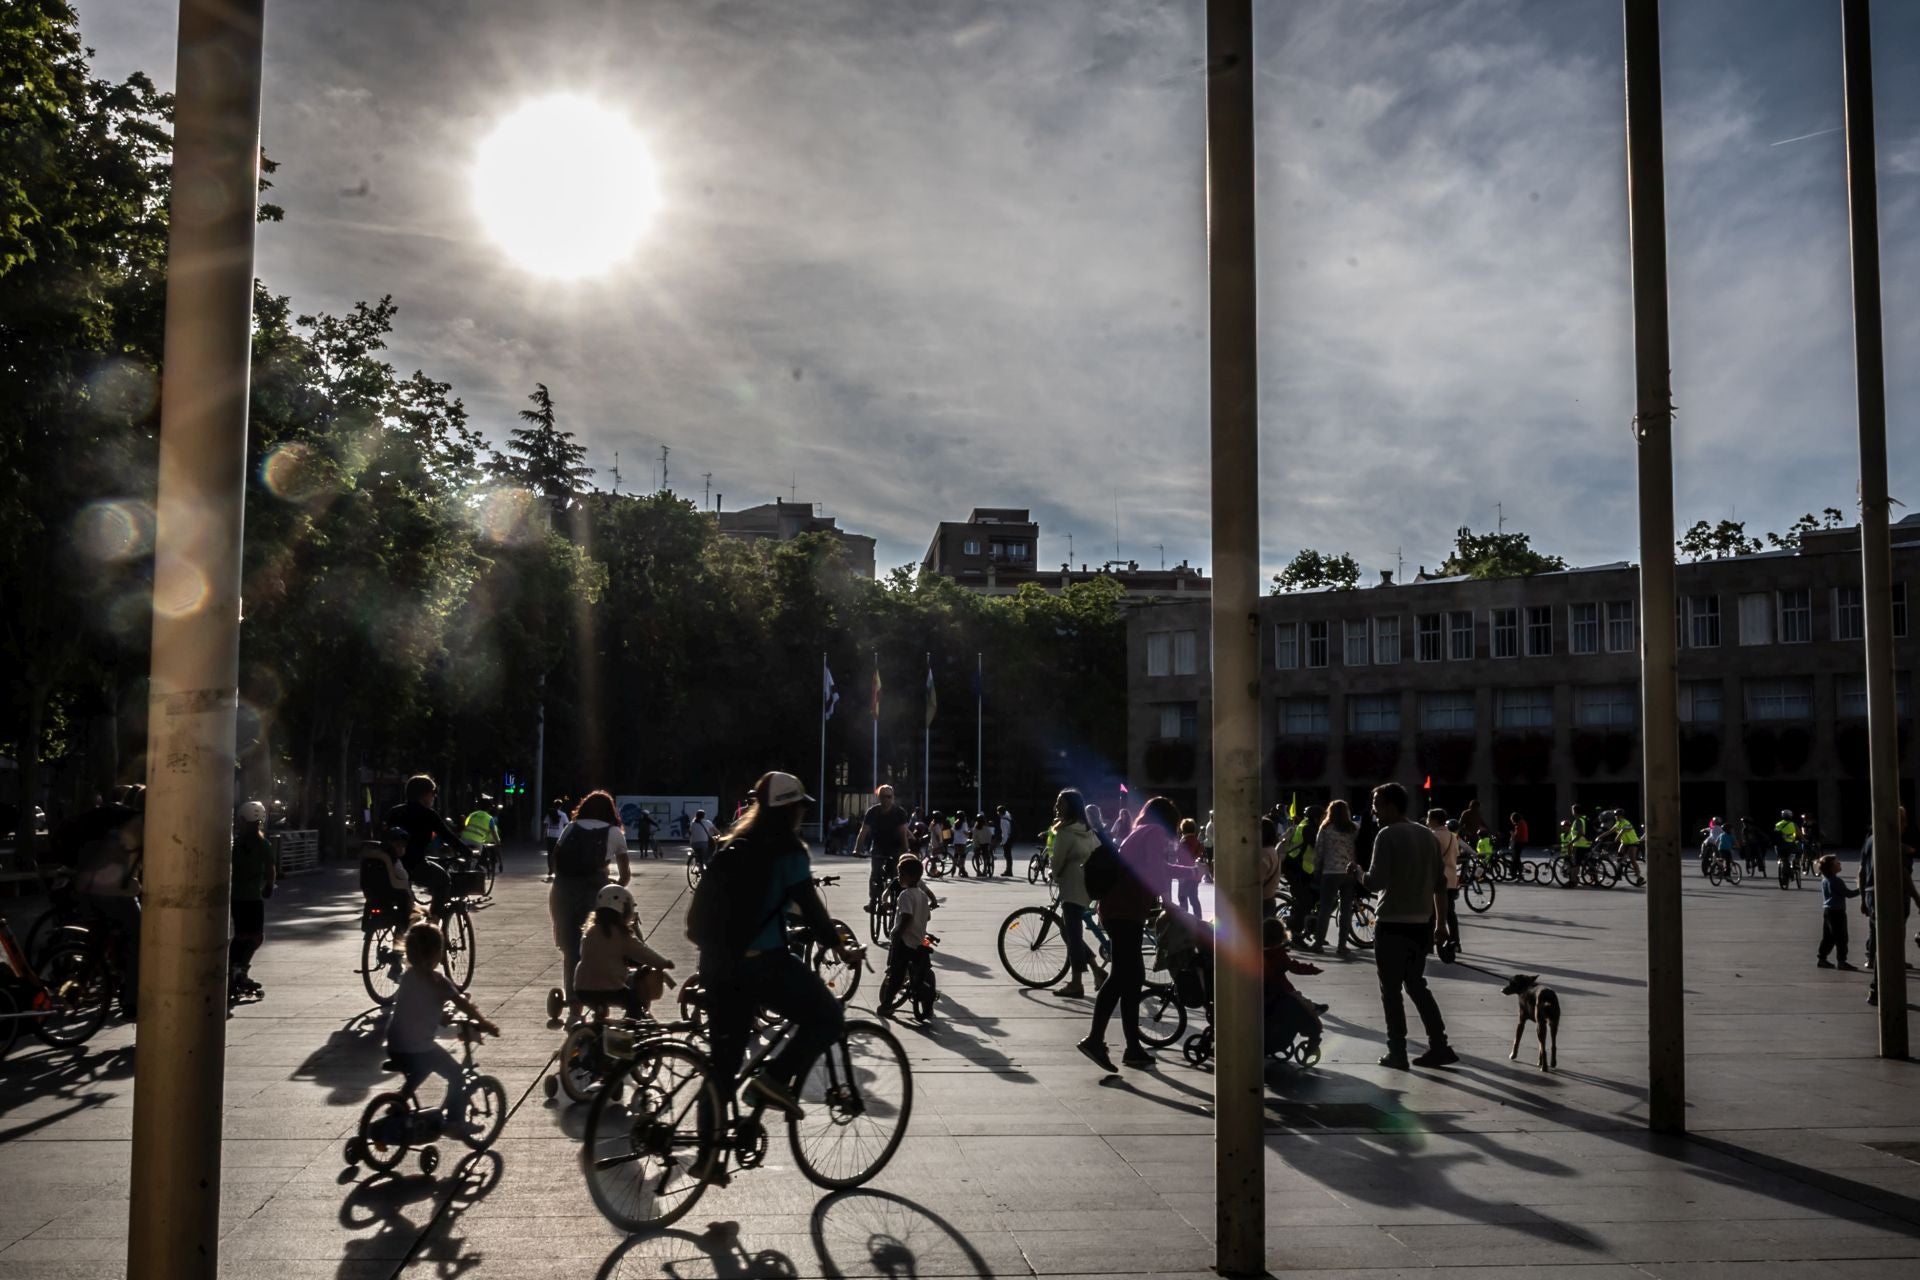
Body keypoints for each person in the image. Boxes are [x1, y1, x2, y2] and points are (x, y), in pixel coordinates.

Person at [694, 771, 859, 1118]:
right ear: (790, 811)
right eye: (799, 807)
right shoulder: (788, 851)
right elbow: (810, 908)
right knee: (828, 1016)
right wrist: (839, 945)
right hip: (762, 965)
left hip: (717, 963)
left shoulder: (732, 844)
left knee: (722, 1065)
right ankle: (774, 1078)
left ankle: (707, 1155)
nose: (802, 813)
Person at [1354, 782, 1455, 1069]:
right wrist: (1441, 925)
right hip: (1421, 924)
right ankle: (1440, 1045)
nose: (1373, 810)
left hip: (1391, 924)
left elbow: (1376, 882)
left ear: (1391, 805)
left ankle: (1396, 1051)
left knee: (1391, 990)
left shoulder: (1387, 835)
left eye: (1377, 803)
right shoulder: (1427, 835)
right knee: (1417, 985)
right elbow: (1441, 884)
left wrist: (1357, 873)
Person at [1078, 795, 1177, 1073]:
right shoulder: (1156, 832)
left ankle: (1133, 1047)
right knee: (1123, 975)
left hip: (1120, 910)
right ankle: (1095, 1039)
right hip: (1125, 911)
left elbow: (1152, 868)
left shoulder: (1139, 831)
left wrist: (1189, 872)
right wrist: (1169, 904)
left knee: (1131, 979)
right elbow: (1156, 871)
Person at [387, 922, 501, 1137]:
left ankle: (397, 1104)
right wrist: (484, 1023)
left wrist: (440, 1018)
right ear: (436, 954)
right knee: (456, 1074)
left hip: (394, 1045)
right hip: (417, 1046)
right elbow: (462, 1003)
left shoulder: (408, 977)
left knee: (421, 1068)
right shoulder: (438, 981)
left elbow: (417, 1008)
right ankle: (454, 1122)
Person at [550, 791, 631, 1022]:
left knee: (571, 950)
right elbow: (625, 875)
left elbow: (556, 860)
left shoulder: (571, 828)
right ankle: (600, 1003)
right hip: (595, 893)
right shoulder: (614, 832)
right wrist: (612, 887)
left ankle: (574, 1010)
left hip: (563, 891)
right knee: (598, 945)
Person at [71, 784, 146, 1015]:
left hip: (88, 885)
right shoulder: (145, 824)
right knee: (141, 940)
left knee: (104, 934)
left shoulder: (118, 820)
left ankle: (83, 979)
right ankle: (131, 1001)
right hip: (115, 891)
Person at [574, 883, 674, 1016]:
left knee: (599, 1009)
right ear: (625, 912)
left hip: (582, 988)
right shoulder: (622, 935)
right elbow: (643, 953)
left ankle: (598, 1030)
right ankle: (630, 1032)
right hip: (610, 988)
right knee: (635, 1005)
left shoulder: (590, 931)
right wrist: (663, 963)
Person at [1050, 789, 1107, 998]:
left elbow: (1056, 862)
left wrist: (1054, 874)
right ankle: (1096, 970)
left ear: (1069, 807)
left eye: (1060, 803)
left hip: (1071, 886)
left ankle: (1076, 983)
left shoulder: (1065, 832)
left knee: (1073, 935)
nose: (1057, 807)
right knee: (1069, 931)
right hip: (1087, 886)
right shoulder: (1087, 829)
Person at [384, 775, 470, 912]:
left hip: (391, 865)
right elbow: (447, 836)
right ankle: (433, 920)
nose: (434, 797)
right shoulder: (428, 814)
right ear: (424, 795)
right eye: (433, 793)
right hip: (415, 865)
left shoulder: (394, 811)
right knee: (443, 880)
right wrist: (467, 851)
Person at [1861, 806, 1918, 1007]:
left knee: (1880, 942)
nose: (1906, 825)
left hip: (1871, 894)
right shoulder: (1891, 843)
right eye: (1903, 820)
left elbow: (1861, 871)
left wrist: (1862, 899)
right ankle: (1882, 990)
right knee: (1890, 946)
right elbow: (1903, 874)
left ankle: (1878, 989)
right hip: (1891, 898)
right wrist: (1918, 899)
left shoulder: (1869, 840)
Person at [230, 800, 276, 999]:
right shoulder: (263, 844)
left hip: (236, 896)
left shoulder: (235, 844)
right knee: (255, 936)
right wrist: (268, 887)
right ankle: (240, 970)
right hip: (253, 897)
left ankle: (232, 969)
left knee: (240, 934)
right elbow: (271, 870)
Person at [880, 854, 935, 1015]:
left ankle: (887, 1004)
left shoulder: (905, 895)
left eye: (901, 874)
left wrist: (896, 932)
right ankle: (928, 1006)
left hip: (905, 941)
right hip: (919, 940)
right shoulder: (922, 896)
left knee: (897, 975)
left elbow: (906, 917)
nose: (899, 877)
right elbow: (928, 916)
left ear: (911, 877)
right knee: (923, 972)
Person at [1262, 917, 1324, 1055]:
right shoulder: (1278, 954)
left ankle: (1313, 1006)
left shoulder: (1256, 952)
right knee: (1301, 1006)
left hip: (1264, 993)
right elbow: (1294, 967)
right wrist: (1312, 969)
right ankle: (1314, 1036)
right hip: (1281, 991)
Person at [1311, 800, 1359, 957]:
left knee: (1325, 909)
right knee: (1346, 910)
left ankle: (1318, 944)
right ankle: (1342, 946)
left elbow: (1319, 850)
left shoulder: (1325, 829)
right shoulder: (1353, 828)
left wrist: (1317, 868)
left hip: (1330, 872)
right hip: (1349, 872)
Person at [857, 784, 912, 903]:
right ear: (878, 797)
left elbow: (903, 833)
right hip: (878, 846)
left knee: (896, 874)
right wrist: (857, 849)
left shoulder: (899, 812)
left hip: (895, 847)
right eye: (883, 796)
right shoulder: (872, 812)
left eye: (889, 796)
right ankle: (873, 900)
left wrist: (906, 850)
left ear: (893, 797)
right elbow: (863, 831)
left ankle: (895, 900)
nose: (886, 799)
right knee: (875, 873)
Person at [1427, 808, 1462, 952]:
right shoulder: (1453, 836)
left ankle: (1429, 944)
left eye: (1429, 818)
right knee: (1450, 913)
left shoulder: (1432, 835)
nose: (1427, 821)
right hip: (1451, 878)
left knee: (1431, 914)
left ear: (1435, 820)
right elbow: (1456, 856)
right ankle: (1456, 942)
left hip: (1437, 879)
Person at [1816, 853, 1859, 971]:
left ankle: (1822, 958)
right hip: (1837, 912)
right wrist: (1862, 888)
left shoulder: (1825, 880)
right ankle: (1841, 961)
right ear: (1831, 867)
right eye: (1837, 863)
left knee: (1828, 937)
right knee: (1841, 937)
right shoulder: (1836, 881)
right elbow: (1849, 894)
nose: (1839, 864)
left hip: (1828, 911)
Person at [1170, 818, 1203, 916]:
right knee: (1194, 898)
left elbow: (1179, 857)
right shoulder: (1196, 841)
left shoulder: (1183, 842)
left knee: (1182, 898)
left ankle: (1185, 921)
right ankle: (1199, 919)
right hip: (1195, 874)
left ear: (1183, 829)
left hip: (1184, 874)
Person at [1257, 816, 1283, 919]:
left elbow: (1256, 881)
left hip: (1261, 902)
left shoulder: (1263, 854)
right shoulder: (1272, 851)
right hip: (1270, 899)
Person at [1565, 803, 1592, 889]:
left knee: (1576, 864)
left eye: (1572, 810)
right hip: (1587, 844)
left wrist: (1571, 842)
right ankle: (1594, 878)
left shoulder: (1578, 821)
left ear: (1574, 811)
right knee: (1587, 862)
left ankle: (1572, 882)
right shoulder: (1585, 819)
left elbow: (1580, 833)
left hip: (1580, 845)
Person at [543, 799, 568, 882]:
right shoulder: (563, 815)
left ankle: (550, 869)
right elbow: (566, 826)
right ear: (561, 806)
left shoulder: (549, 814)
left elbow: (546, 826)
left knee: (550, 854)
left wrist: (545, 835)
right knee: (558, 854)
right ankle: (557, 870)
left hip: (550, 836)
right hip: (559, 837)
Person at [998, 805, 1016, 877]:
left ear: (999, 813)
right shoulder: (1008, 815)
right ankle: (1009, 870)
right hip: (1011, 837)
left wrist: (1003, 843)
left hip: (1008, 839)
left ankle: (1008, 871)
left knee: (1007, 856)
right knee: (1009, 856)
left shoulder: (1003, 821)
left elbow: (1005, 834)